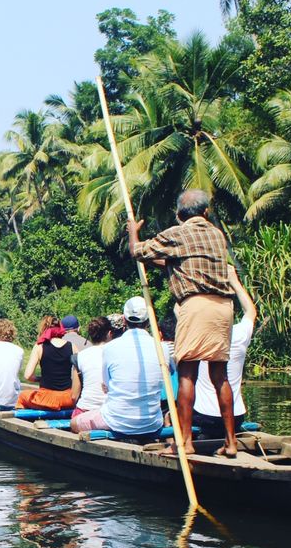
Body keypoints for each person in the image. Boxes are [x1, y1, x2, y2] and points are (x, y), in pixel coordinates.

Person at [129, 189, 240, 457]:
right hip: (224, 306)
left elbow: (138, 251)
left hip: (196, 305)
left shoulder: (177, 233)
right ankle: (231, 442)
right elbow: (176, 263)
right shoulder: (217, 234)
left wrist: (133, 230)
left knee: (187, 372)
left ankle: (185, 443)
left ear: (179, 215)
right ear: (206, 212)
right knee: (219, 375)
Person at [71, 297, 164, 440]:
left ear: (125, 321)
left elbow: (106, 386)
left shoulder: (110, 348)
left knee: (74, 422)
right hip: (152, 423)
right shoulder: (162, 348)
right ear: (149, 321)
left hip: (116, 421)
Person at [193, 266, 256, 438]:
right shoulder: (240, 334)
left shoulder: (199, 333)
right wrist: (234, 282)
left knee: (172, 412)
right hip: (236, 417)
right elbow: (251, 311)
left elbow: (179, 309)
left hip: (204, 417)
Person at [19, 317, 76, 410]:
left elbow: (27, 376)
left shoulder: (39, 346)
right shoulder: (72, 346)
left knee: (22, 396)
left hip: (46, 400)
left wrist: (39, 379)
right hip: (68, 399)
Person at [72, 316, 114, 414]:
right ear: (109, 334)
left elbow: (74, 396)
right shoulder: (117, 354)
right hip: (110, 411)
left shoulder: (79, 357)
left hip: (84, 410)